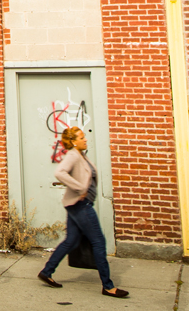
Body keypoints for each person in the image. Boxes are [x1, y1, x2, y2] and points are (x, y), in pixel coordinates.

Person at [38, 126, 129, 298]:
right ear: (73, 141)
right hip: (81, 205)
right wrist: (80, 188)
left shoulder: (81, 155)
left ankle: (47, 271)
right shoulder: (73, 155)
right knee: (98, 242)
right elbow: (59, 172)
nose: (85, 139)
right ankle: (108, 286)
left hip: (76, 204)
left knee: (71, 241)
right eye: (81, 137)